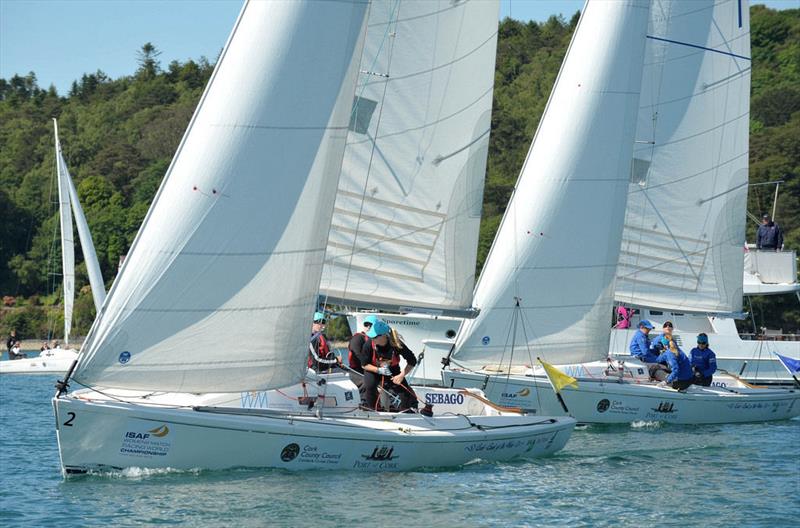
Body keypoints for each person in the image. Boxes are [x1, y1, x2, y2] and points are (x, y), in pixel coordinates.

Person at [357, 320, 418, 412]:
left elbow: (412, 361)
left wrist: (401, 376)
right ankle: (372, 409)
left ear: (384, 336)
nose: (372, 338)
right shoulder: (369, 344)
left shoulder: (397, 344)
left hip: (392, 371)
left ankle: (404, 411)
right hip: (373, 370)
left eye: (374, 336)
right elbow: (364, 365)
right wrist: (378, 370)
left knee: (405, 394)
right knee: (370, 385)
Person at [346, 315, 379, 400]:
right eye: (366, 324)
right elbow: (357, 354)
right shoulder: (358, 338)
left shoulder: (377, 340)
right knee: (367, 382)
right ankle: (364, 403)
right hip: (356, 371)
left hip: (369, 370)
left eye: (371, 325)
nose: (368, 327)